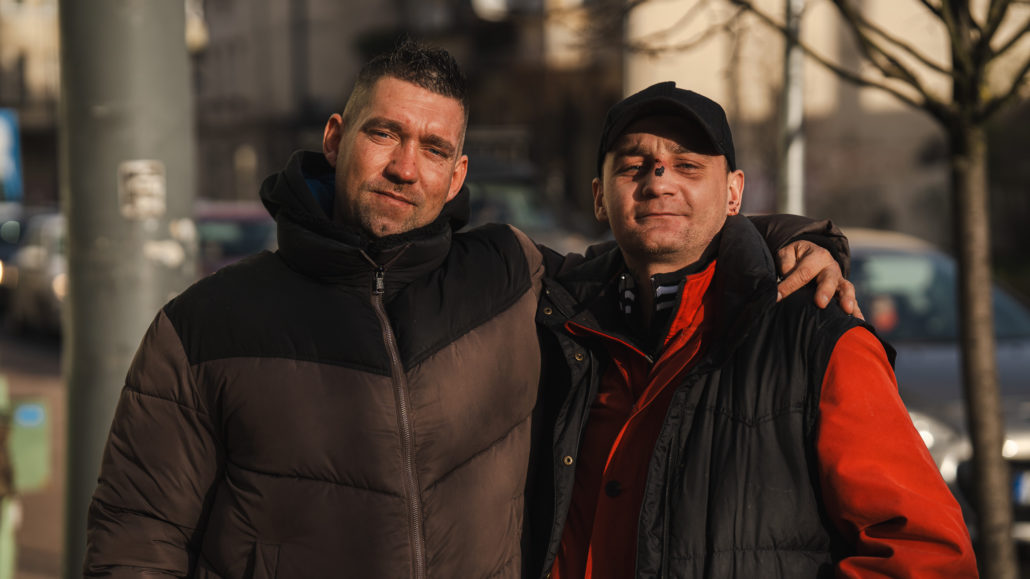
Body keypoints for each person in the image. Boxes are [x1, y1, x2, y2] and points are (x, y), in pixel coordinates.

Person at [83, 43, 854, 578]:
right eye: (385, 133)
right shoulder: (204, 325)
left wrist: (793, 242)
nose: (405, 167)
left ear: (456, 176)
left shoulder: (509, 275)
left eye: (434, 148)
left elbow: (655, 242)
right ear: (336, 138)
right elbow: (134, 543)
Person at [528, 82, 978, 578]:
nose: (658, 183)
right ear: (599, 197)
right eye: (633, 166)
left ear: (733, 193)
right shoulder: (554, 331)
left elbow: (926, 555)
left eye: (687, 165)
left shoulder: (817, 338)